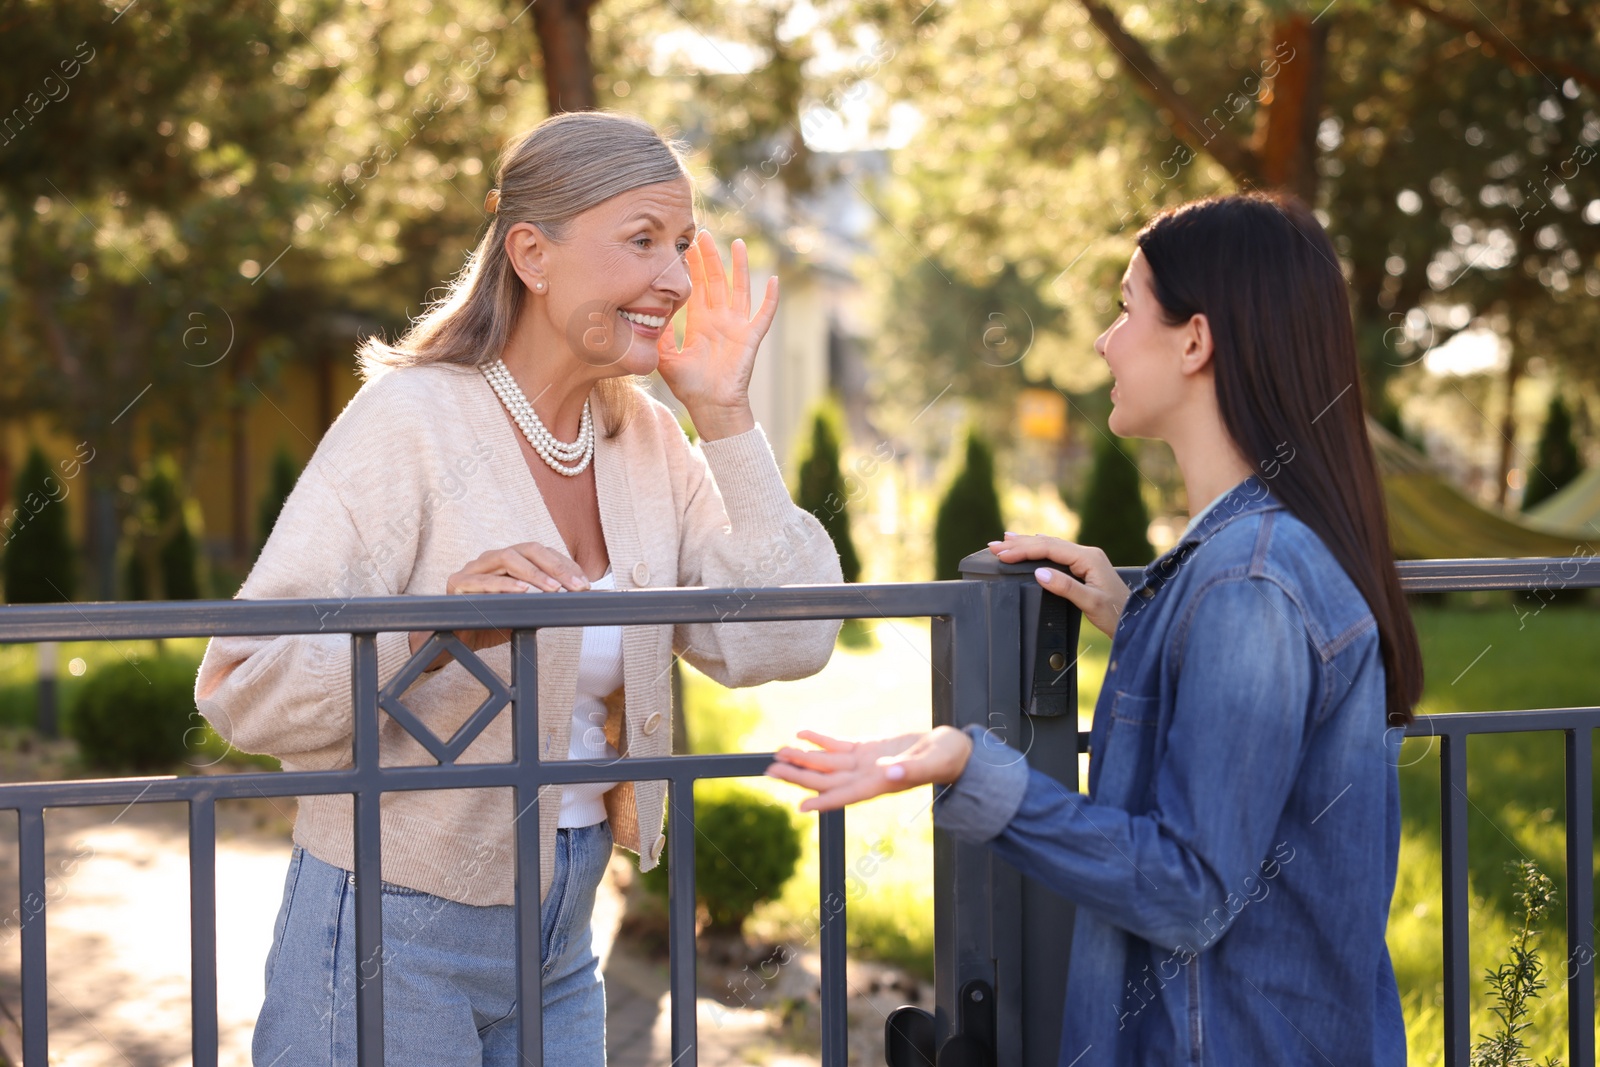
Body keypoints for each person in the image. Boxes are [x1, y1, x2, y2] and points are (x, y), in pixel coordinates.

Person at [194, 110, 843, 1067]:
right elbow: (242, 686)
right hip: (388, 929)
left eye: (683, 245)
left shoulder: (651, 442)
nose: (674, 278)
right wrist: (433, 629)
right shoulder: (409, 422)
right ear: (532, 253)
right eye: (642, 242)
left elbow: (791, 639)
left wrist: (726, 414)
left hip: (562, 933)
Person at [766, 192, 1422, 1065]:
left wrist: (973, 767)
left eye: (1125, 307)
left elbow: (1190, 889)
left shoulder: (1251, 580)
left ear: (1196, 340)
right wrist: (1142, 619)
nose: (1106, 341)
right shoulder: (1245, 563)